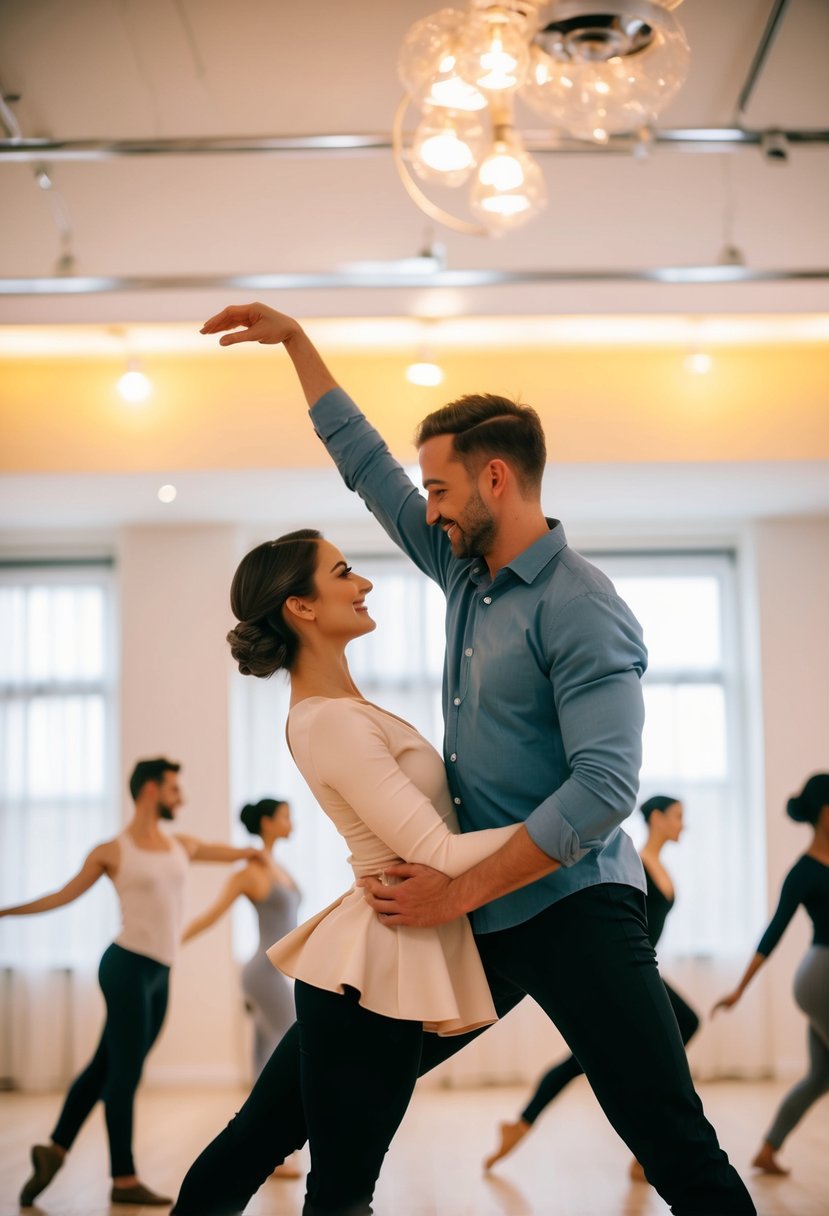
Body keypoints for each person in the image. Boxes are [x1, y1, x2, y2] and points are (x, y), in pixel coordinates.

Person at [173, 302, 755, 1216]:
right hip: (465, 913)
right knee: (288, 1110)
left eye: (439, 491)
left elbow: (603, 790)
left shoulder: (580, 605)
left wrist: (458, 892)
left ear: (493, 479)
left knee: (671, 1138)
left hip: (573, 911)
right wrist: (297, 345)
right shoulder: (465, 575)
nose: (426, 510)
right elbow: (366, 469)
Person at [175, 529, 521, 1216]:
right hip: (374, 974)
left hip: (386, 960)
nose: (362, 584)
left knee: (261, 1143)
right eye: (344, 572)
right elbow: (441, 854)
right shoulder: (329, 721)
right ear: (300, 607)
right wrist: (578, 823)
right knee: (335, 1187)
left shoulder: (345, 711)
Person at [1, 756, 266, 1209]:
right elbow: (63, 894)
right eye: (174, 789)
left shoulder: (181, 844)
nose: (180, 797)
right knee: (124, 1076)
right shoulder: (113, 851)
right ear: (150, 791)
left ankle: (54, 1148)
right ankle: (123, 1179)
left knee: (107, 1067)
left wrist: (255, 851)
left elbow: (230, 852)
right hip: (124, 967)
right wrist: (7, 911)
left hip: (160, 973)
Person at [483, 793, 701, 1176]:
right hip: (614, 970)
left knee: (607, 1053)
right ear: (659, 819)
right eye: (678, 816)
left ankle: (525, 1125)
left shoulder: (661, 868)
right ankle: (523, 1124)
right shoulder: (633, 863)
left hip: (639, 971)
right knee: (590, 1057)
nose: (684, 824)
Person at [712, 772, 829, 1176]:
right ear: (826, 814)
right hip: (823, 978)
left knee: (819, 1076)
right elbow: (773, 934)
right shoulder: (805, 871)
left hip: (817, 978)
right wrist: (739, 991)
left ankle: (768, 1148)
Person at [183, 797, 303, 1179]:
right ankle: (271, 1148)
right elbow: (211, 914)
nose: (290, 821)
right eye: (284, 815)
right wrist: (172, 941)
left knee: (266, 1056)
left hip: (273, 973)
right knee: (291, 1050)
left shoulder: (275, 866)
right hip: (262, 974)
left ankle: (255, 1147)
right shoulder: (249, 873)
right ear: (267, 823)